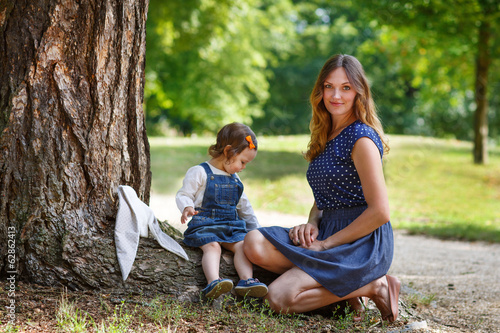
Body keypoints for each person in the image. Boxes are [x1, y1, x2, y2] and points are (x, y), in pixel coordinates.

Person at [243, 54, 401, 322]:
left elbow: (380, 212)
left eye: (346, 88)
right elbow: (325, 196)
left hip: (361, 241)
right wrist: (312, 223)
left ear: (359, 93)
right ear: (320, 90)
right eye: (329, 86)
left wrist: (326, 244)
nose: (335, 95)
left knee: (279, 298)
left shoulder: (361, 138)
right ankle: (347, 296)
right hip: (328, 231)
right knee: (254, 242)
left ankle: (375, 285)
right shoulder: (326, 134)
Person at [176, 122, 268, 299]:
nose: (243, 167)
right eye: (242, 162)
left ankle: (247, 281)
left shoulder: (235, 179)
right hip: (205, 225)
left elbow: (244, 206)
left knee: (242, 246)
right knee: (213, 247)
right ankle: (214, 282)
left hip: (230, 226)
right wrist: (187, 206)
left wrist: (256, 229)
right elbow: (184, 193)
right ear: (228, 152)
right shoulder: (200, 172)